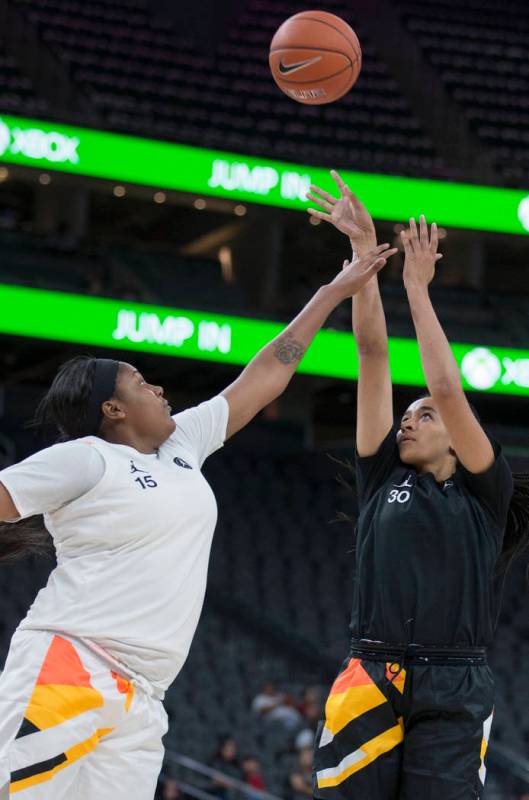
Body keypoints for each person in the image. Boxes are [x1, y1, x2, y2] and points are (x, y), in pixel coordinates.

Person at [0, 241, 397, 800]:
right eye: (141, 383)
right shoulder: (86, 458)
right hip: (71, 664)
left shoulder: (182, 443)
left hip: (145, 695)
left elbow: (267, 375)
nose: (158, 388)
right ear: (112, 411)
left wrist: (334, 291)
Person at [307, 172, 529, 799]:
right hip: (370, 670)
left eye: (423, 414)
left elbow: (449, 389)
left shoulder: (487, 491)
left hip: (456, 681)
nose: (408, 417)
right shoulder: (381, 474)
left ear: (461, 438)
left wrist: (416, 288)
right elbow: (372, 353)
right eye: (406, 412)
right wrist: (361, 258)